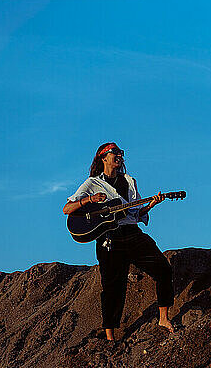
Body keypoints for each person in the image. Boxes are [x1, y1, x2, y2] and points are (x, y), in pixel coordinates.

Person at [63, 142, 174, 341]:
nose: (119, 156)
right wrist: (89, 200)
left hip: (132, 232)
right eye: (115, 152)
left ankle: (163, 318)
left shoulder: (130, 181)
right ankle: (110, 336)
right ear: (103, 158)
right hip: (109, 238)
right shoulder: (91, 183)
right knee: (112, 286)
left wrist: (151, 205)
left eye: (121, 153)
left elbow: (135, 212)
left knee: (163, 268)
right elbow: (67, 209)